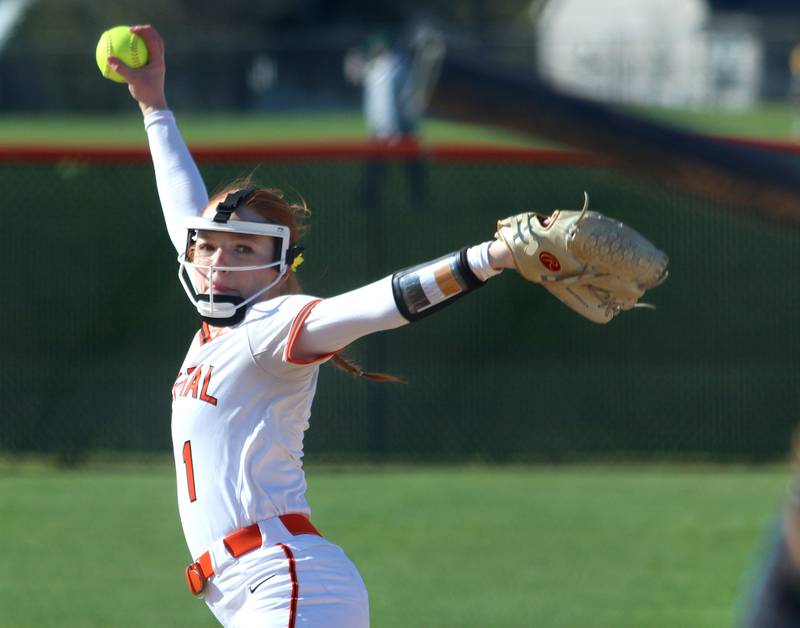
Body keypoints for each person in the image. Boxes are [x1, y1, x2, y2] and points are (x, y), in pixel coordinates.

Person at [108, 25, 520, 628]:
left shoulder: (271, 325)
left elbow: (377, 306)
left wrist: (493, 257)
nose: (221, 261)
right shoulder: (218, 312)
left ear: (277, 267)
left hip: (287, 582)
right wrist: (154, 106)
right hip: (251, 589)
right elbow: (183, 210)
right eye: (212, 248)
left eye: (245, 251)